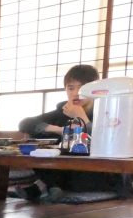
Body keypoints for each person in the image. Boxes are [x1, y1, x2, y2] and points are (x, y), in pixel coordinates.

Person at [17, 64, 121, 200]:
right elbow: (25, 123)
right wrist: (59, 130)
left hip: (95, 171)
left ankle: (45, 186)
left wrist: (81, 117)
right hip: (65, 169)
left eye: (82, 88)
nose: (76, 93)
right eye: (71, 88)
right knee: (39, 144)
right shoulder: (63, 111)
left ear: (94, 89)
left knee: (75, 142)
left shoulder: (106, 110)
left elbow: (107, 141)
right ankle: (50, 186)